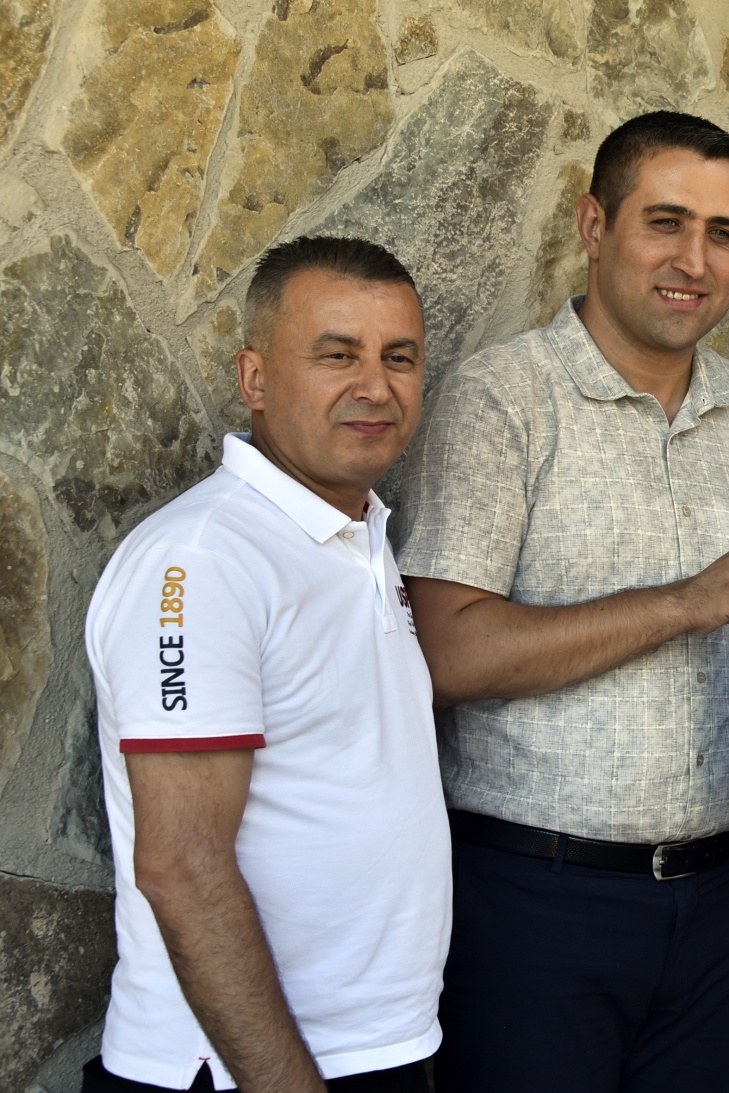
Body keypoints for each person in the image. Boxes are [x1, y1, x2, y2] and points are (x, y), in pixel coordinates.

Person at [396, 111, 729, 1093]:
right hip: (536, 904)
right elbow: (445, 653)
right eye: (665, 222)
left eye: (722, 232)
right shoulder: (502, 397)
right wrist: (679, 603)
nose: (694, 260)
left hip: (726, 904)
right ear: (593, 225)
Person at [82, 236, 448, 1093]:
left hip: (379, 1046)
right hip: (238, 1067)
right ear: (254, 378)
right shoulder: (204, 559)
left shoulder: (357, 536)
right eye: (337, 355)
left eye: (399, 357)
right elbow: (182, 864)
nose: (375, 386)